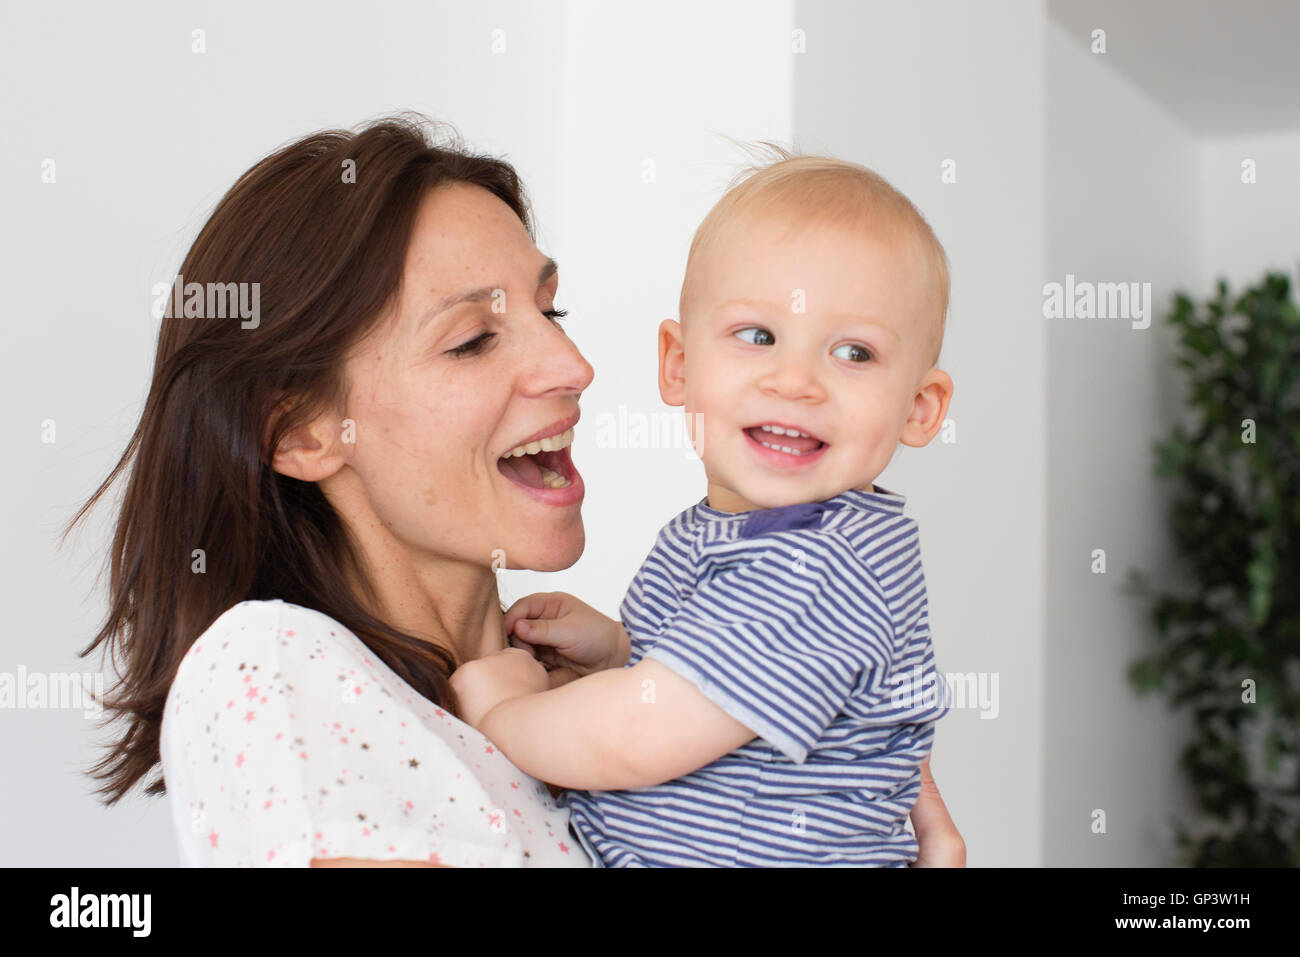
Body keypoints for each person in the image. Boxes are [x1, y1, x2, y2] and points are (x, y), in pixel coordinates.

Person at [70, 116, 964, 867]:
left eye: (552, 311)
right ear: (301, 431)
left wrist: (593, 674)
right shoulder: (269, 665)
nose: (572, 366)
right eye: (472, 340)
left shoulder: (542, 709)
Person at [451, 152, 958, 866]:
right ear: (678, 364)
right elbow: (702, 698)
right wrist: (622, 652)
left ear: (920, 407)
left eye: (853, 352)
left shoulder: (821, 563)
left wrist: (505, 714)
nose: (795, 381)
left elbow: (641, 735)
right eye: (757, 336)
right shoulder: (725, 532)